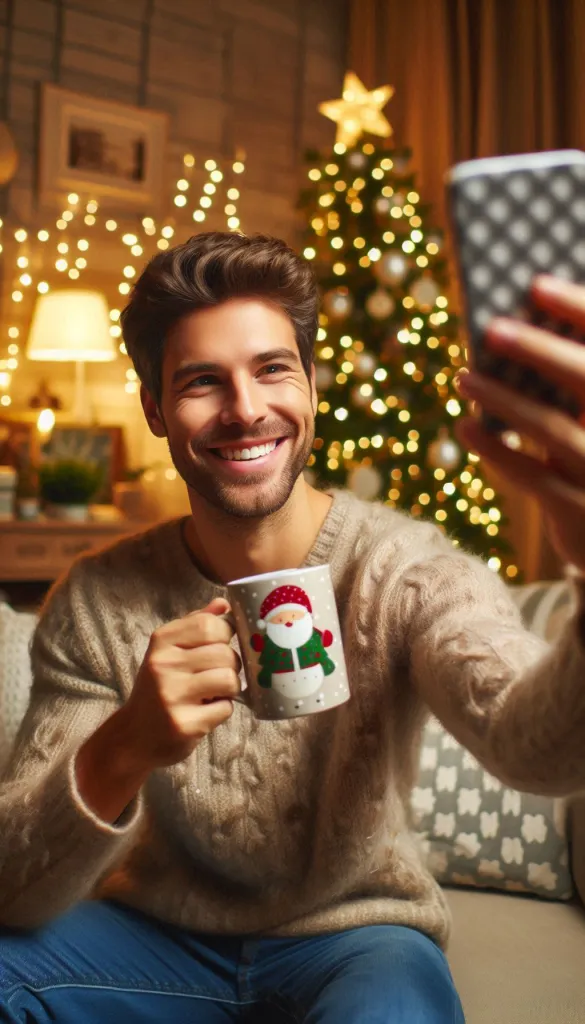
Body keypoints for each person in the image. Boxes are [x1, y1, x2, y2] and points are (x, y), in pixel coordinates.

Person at [0, 231, 584, 1024]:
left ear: (311, 385)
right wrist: (125, 744)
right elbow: (14, 886)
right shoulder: (99, 601)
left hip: (359, 937)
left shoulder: (402, 570)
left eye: (272, 369)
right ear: (155, 410)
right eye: (202, 382)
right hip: (150, 944)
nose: (245, 410)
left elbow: (534, 749)